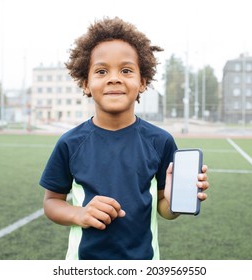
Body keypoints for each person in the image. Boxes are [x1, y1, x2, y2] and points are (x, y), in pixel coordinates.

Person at [39, 17, 209, 260]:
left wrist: (172, 203)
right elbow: (51, 203)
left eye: (126, 70)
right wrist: (80, 214)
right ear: (86, 84)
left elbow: (164, 208)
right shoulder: (70, 143)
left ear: (142, 82)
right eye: (101, 71)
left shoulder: (160, 141)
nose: (114, 78)